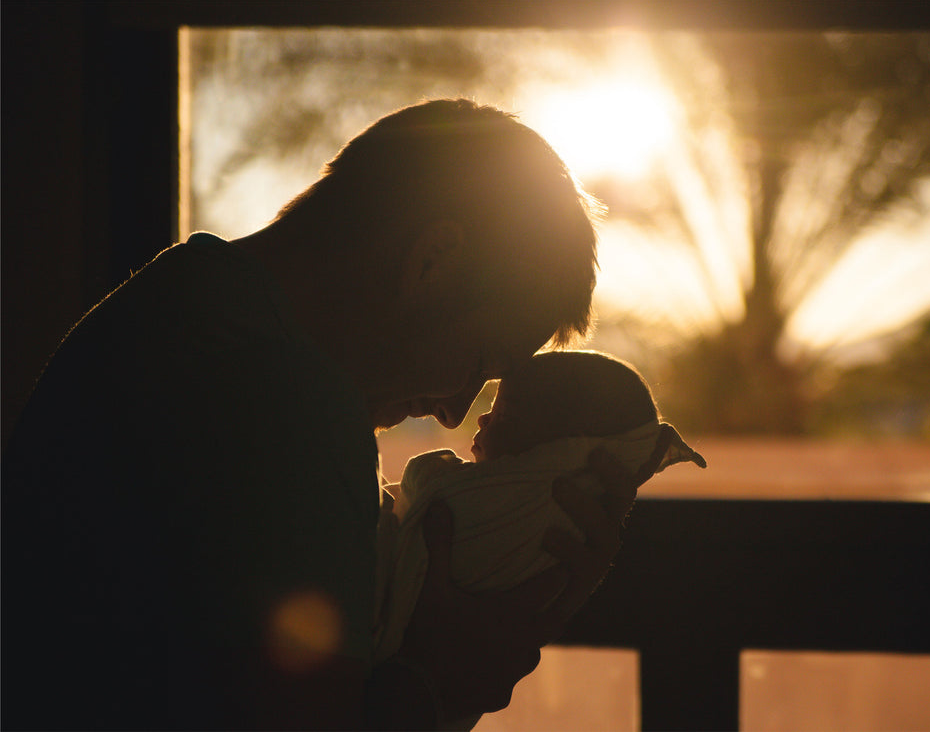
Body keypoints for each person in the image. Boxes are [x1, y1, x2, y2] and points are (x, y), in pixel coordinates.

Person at [1, 99, 657, 730]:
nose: (456, 412)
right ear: (433, 261)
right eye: (479, 360)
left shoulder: (172, 303)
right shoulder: (291, 401)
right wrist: (448, 672)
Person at [373, 351, 706, 695]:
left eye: (504, 415)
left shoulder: (506, 503)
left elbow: (423, 484)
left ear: (559, 451)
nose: (477, 418)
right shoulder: (567, 524)